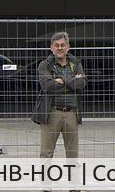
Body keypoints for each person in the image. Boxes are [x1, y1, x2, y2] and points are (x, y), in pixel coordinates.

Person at [34, 31, 86, 159]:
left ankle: (73, 179)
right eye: (56, 45)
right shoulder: (44, 65)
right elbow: (47, 86)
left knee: (73, 154)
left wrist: (60, 79)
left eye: (63, 45)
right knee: (46, 153)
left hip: (71, 114)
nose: (60, 48)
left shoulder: (76, 63)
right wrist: (71, 80)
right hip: (51, 113)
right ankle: (45, 179)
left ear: (68, 47)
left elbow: (81, 83)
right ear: (51, 48)